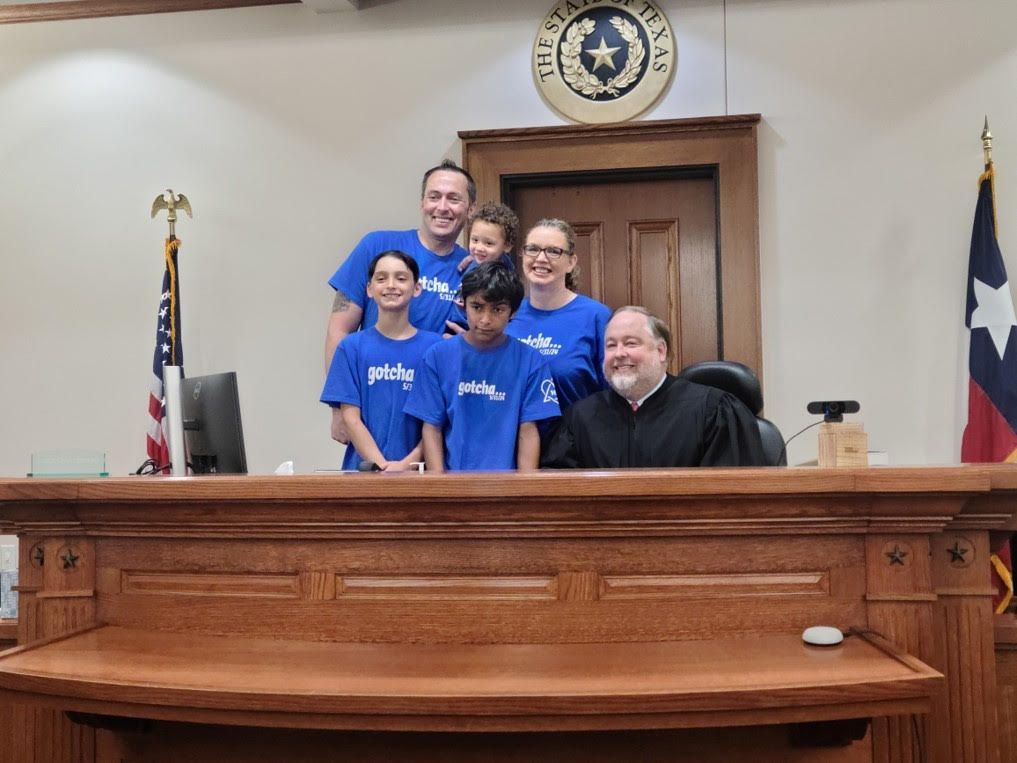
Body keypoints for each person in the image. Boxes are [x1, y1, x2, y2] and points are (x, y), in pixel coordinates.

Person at [324, 159, 475, 443]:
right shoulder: (377, 246)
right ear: (422, 202)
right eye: (434, 197)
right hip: (374, 416)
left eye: (454, 199)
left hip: (439, 417)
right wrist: (338, 409)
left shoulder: (473, 270)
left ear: (470, 209)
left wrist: (473, 344)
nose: (442, 207)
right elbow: (339, 329)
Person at [542, 306, 766, 468]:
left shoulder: (713, 411)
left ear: (661, 351)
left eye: (631, 343)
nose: (619, 354)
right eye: (611, 345)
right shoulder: (580, 418)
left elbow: (732, 502)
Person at [404, 261, 560, 471]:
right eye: (477, 307)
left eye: (498, 309)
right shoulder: (437, 356)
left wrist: (526, 492)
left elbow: (528, 430)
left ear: (512, 311)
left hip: (508, 487)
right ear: (464, 304)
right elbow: (432, 427)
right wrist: (437, 487)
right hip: (454, 485)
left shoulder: (531, 361)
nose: (485, 319)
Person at [320, 251, 442, 471]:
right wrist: (382, 466)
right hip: (364, 472)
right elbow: (350, 417)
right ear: (369, 288)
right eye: (381, 278)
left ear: (417, 288)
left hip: (419, 473)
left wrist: (407, 464)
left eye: (401, 278)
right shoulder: (351, 348)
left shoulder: (435, 349)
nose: (391, 285)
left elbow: (435, 420)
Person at [506, 219, 611, 411]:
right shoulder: (507, 314)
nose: (540, 258)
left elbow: (613, 392)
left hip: (578, 437)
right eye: (533, 249)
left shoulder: (596, 317)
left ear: (571, 262)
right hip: (518, 438)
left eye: (553, 251)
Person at [447, 202, 519, 331]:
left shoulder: (504, 277)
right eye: (475, 240)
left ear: (507, 246)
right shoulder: (472, 262)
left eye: (489, 243)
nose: (479, 248)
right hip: (453, 327)